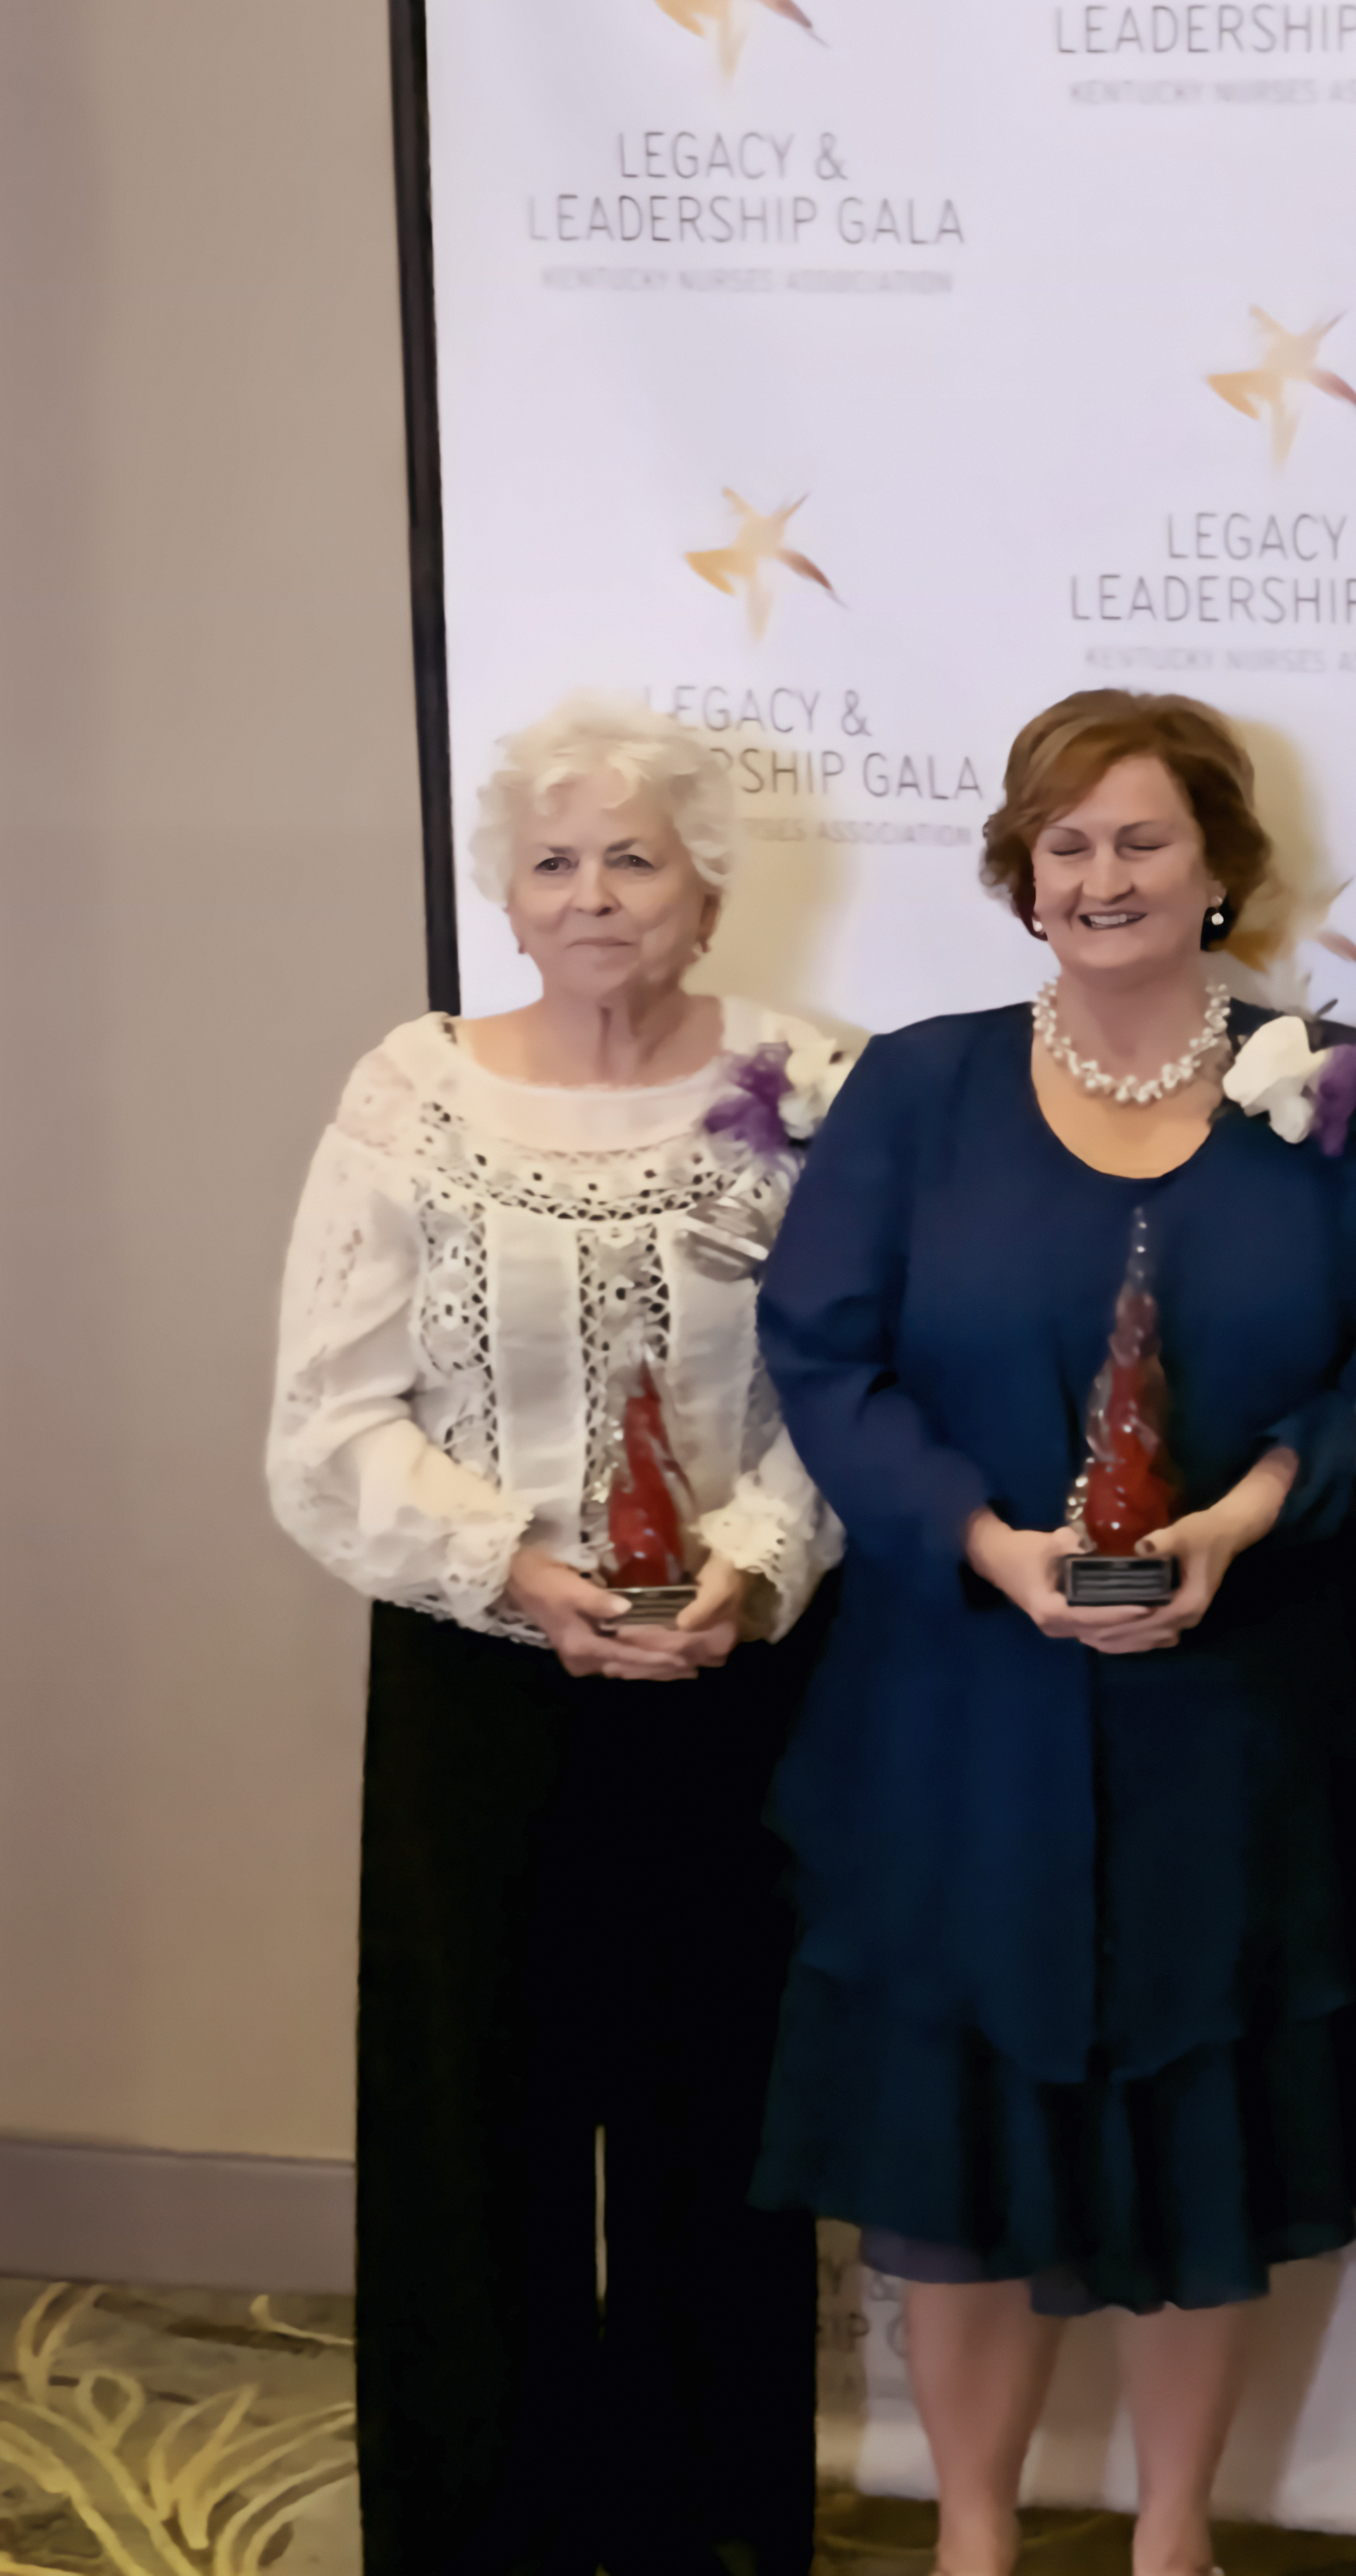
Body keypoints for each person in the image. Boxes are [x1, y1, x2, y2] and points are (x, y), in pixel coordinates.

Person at [750, 690, 1356, 2576]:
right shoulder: (919, 1083)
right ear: (1019, 871)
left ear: (1220, 864)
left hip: (1239, 1692)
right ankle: (971, 2533)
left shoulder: (1341, 1085)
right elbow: (825, 1353)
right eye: (1066, 842)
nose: (1103, 875)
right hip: (959, 1700)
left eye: (1141, 839)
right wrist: (983, 1541)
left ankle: (1176, 2535)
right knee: (958, 2123)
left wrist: (1234, 1523)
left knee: (1211, 2102)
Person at [268, 691, 847, 2576]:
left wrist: (749, 1573)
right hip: (480, 1678)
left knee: (720, 2135)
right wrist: (524, 1572)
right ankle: (475, 2535)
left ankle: (710, 2534)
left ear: (703, 891)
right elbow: (328, 1418)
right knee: (471, 2120)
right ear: (506, 897)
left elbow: (849, 1387)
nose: (594, 895)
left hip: (734, 1677)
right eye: (554, 861)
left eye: (634, 858)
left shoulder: (810, 1087)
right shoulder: (412, 1088)